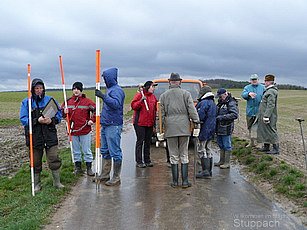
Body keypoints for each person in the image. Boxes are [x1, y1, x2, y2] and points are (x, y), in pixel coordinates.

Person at [20, 78, 64, 192]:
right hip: (35, 137)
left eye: (41, 88)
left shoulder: (50, 100)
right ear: (33, 90)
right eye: (37, 88)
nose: (39, 90)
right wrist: (36, 120)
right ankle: (37, 184)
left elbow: (59, 115)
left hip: (50, 136)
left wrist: (52, 120)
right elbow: (23, 120)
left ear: (44, 88)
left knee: (54, 158)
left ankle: (57, 182)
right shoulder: (27, 102)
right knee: (35, 161)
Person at [159, 73, 199, 188]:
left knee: (173, 155)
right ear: (179, 82)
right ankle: (185, 181)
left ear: (169, 82)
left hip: (170, 128)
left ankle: (175, 182)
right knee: (184, 153)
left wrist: (160, 130)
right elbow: (192, 110)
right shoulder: (186, 94)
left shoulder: (163, 96)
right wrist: (196, 122)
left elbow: (160, 115)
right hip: (184, 128)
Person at [95, 67, 125, 186]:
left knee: (115, 151)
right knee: (105, 151)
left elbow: (116, 104)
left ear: (110, 78)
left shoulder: (116, 90)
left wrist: (103, 96)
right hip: (106, 124)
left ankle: (116, 177)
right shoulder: (110, 89)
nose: (104, 81)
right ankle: (105, 174)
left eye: (105, 78)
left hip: (114, 124)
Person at [62, 82, 96, 176]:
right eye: (74, 89)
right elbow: (61, 114)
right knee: (75, 151)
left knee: (86, 150)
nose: (76, 91)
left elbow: (96, 110)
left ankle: (89, 168)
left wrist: (92, 120)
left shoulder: (87, 101)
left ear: (81, 90)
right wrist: (64, 113)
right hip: (72, 131)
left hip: (85, 130)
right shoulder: (67, 101)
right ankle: (78, 168)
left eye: (78, 89)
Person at [131, 81, 158, 168]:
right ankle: (139, 161)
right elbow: (133, 106)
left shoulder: (153, 97)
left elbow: (155, 110)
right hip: (139, 123)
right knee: (140, 141)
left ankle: (147, 160)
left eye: (154, 87)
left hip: (149, 123)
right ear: (147, 87)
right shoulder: (140, 95)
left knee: (148, 142)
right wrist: (141, 101)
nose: (154, 88)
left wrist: (154, 124)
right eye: (152, 87)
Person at [195, 85, 216, 178]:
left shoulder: (204, 103)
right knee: (208, 149)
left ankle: (205, 171)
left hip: (204, 128)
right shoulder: (212, 102)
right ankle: (209, 171)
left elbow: (200, 116)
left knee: (202, 149)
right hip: (211, 128)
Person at [214, 88, 238, 169]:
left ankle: (227, 162)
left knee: (227, 145)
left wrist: (222, 117)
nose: (220, 98)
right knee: (220, 144)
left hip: (226, 127)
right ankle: (221, 160)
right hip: (219, 127)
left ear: (225, 94)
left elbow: (234, 115)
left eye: (220, 96)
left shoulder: (231, 102)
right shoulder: (220, 103)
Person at [257, 74, 279, 154]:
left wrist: (266, 116)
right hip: (264, 115)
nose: (265, 82)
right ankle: (266, 147)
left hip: (270, 116)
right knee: (265, 130)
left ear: (270, 82)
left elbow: (271, 105)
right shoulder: (267, 90)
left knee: (271, 130)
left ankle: (276, 149)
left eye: (266, 81)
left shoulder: (271, 91)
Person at [241, 74, 265, 147]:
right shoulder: (247, 87)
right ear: (250, 81)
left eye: (255, 79)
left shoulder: (263, 87)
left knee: (259, 128)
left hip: (259, 111)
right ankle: (251, 142)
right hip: (250, 111)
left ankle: (260, 143)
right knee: (250, 127)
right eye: (252, 80)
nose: (254, 81)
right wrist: (248, 94)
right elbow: (243, 95)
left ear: (258, 80)